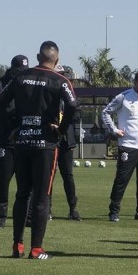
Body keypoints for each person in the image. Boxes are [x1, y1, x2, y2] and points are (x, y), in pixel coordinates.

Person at [0, 41, 78, 260]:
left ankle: (17, 245)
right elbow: (72, 106)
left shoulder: (19, 77)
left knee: (22, 194)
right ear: (56, 60)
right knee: (42, 197)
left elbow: (0, 102)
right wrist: (60, 129)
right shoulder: (60, 80)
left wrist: (14, 126)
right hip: (45, 145)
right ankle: (36, 249)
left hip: (22, 143)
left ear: (38, 56)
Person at [102, 70, 138, 222]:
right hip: (127, 145)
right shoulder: (123, 97)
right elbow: (106, 112)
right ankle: (114, 212)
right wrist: (114, 130)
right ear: (135, 83)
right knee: (121, 180)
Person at [0, 54, 28, 228]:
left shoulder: (26, 84)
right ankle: (1, 217)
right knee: (3, 180)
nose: (21, 74)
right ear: (11, 69)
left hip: (24, 140)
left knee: (25, 181)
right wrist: (6, 119)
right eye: (19, 71)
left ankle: (27, 217)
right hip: (5, 141)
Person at [54, 66, 82, 221]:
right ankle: (47, 209)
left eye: (64, 75)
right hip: (50, 139)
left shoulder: (71, 95)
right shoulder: (49, 93)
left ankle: (73, 209)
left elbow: (78, 114)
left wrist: (65, 117)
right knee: (48, 176)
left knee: (68, 175)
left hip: (66, 140)